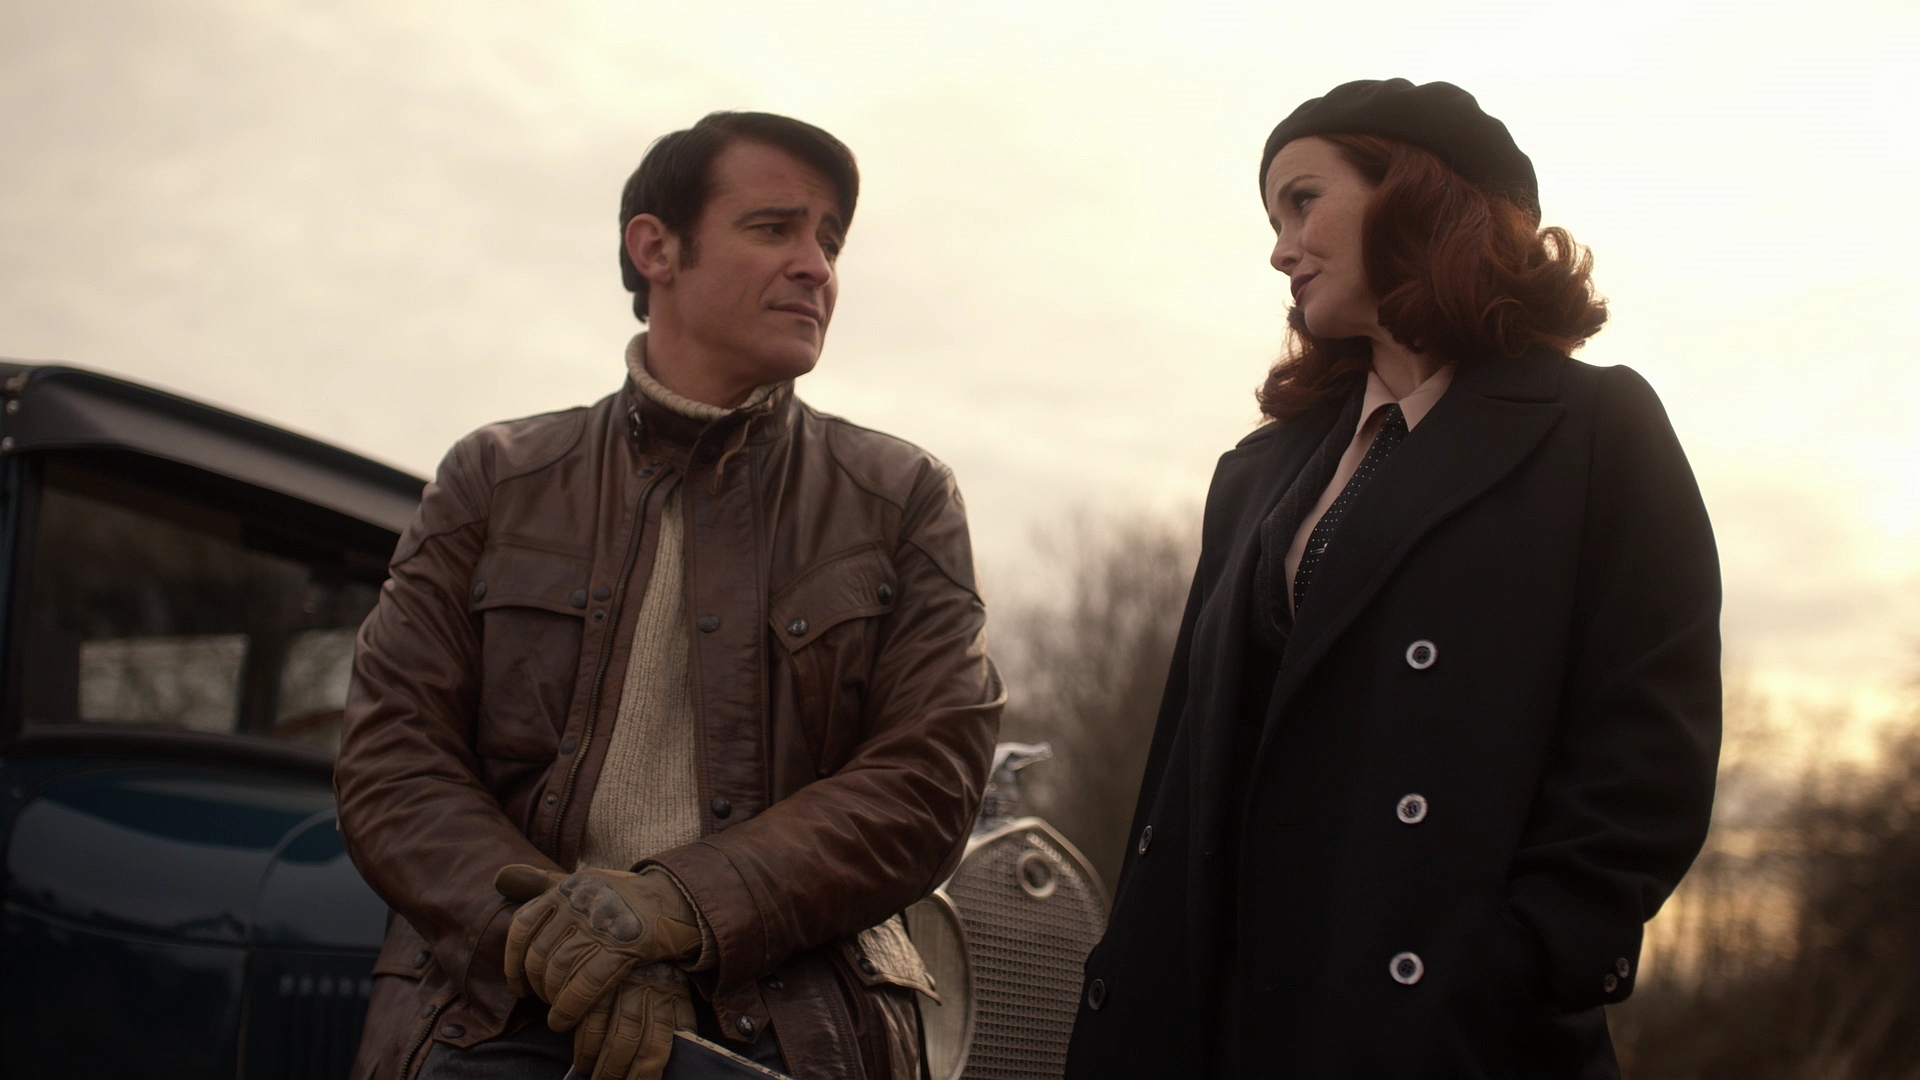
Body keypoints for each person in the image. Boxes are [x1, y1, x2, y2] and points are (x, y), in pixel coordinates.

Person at [1064, 79, 1721, 1077]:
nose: (1280, 248)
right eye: (1273, 219)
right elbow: (1182, 772)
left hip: (1438, 1028)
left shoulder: (1595, 432)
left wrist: (1516, 967)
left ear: (1416, 194)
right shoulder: (1258, 472)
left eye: (1303, 202)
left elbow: (1648, 752)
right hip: (1216, 1018)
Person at [336, 111, 1004, 1080]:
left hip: (790, 1025)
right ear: (655, 248)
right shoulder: (495, 476)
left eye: (829, 240)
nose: (817, 266)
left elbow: (929, 778)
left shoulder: (902, 497)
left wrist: (678, 908)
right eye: (775, 229)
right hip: (495, 1012)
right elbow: (391, 759)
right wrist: (569, 950)